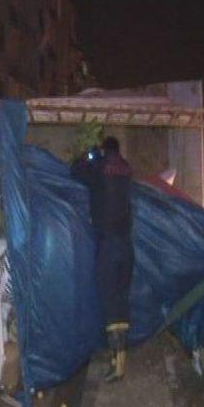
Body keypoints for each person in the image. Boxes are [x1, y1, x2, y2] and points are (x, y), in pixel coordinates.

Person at [71, 136, 134, 382]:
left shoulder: (98, 169)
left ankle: (116, 365)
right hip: (127, 247)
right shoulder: (126, 171)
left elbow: (74, 171)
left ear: (104, 151)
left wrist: (88, 155)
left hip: (108, 246)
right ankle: (120, 359)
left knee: (110, 304)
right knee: (121, 300)